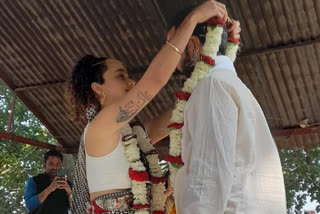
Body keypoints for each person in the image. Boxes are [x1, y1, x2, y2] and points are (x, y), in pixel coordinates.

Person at [68, 1, 228, 213]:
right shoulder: (99, 128)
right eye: (120, 76)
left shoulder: (134, 134)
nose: (131, 82)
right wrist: (193, 19)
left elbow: (182, 110)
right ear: (98, 88)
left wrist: (221, 47)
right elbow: (152, 82)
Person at [167, 7, 287, 214]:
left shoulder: (211, 86)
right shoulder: (229, 84)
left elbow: (207, 178)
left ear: (194, 44)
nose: (169, 53)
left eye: (173, 43)